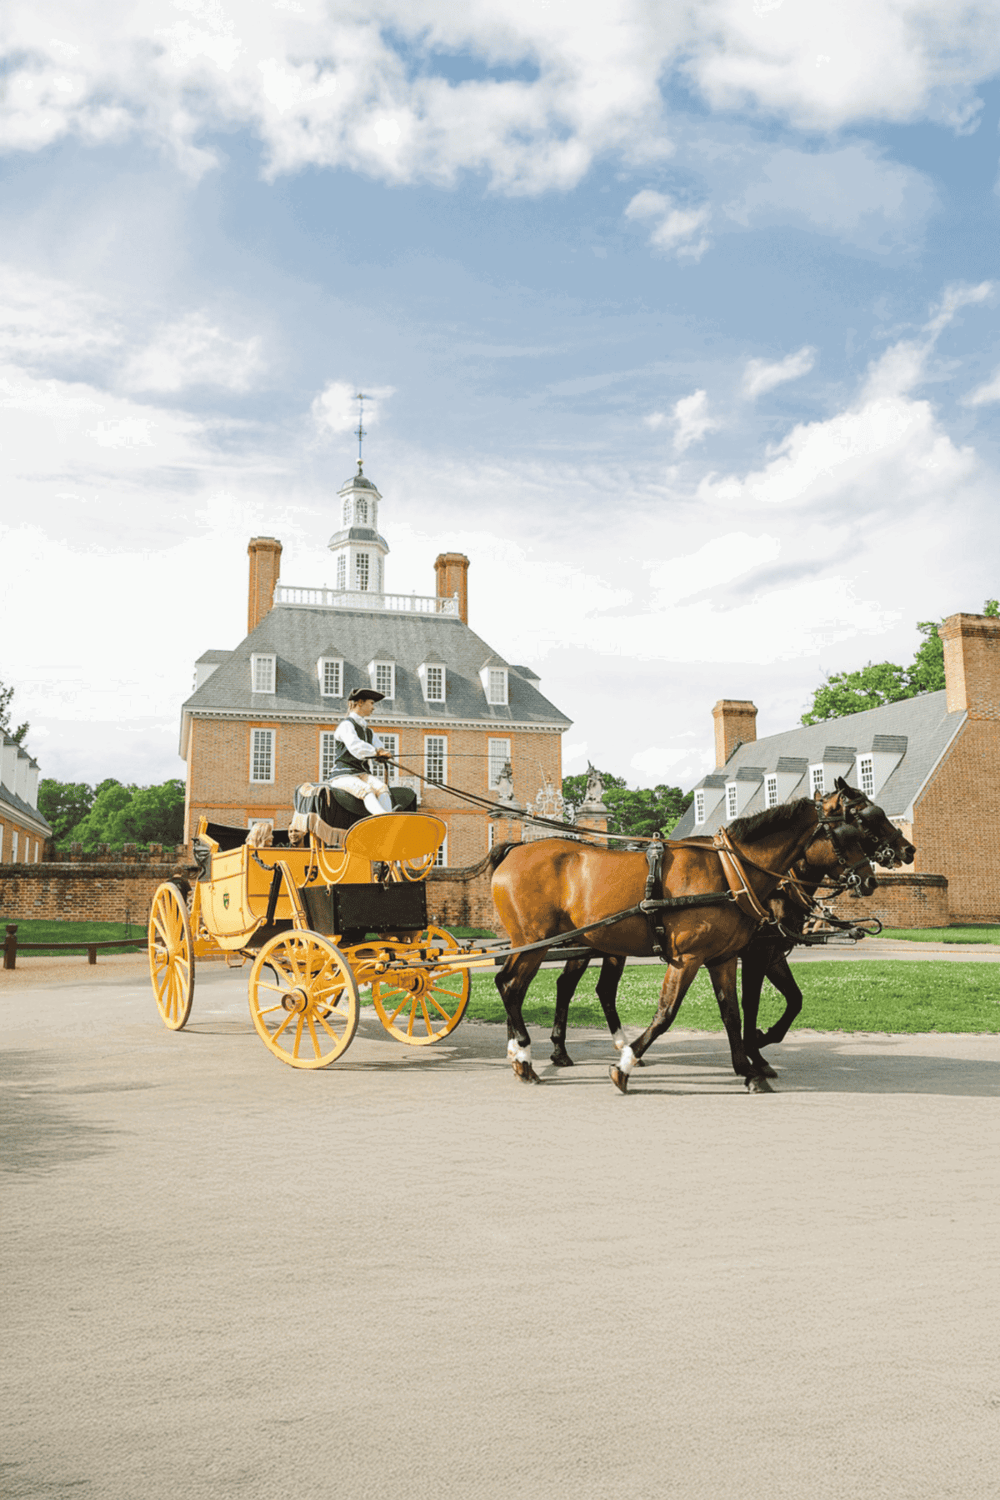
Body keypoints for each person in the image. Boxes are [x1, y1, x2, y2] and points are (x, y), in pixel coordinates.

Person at [327, 688, 395, 816]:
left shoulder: (368, 731)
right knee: (367, 790)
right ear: (360, 702)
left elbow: (378, 747)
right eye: (371, 703)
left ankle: (389, 817)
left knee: (382, 788)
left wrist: (382, 754)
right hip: (343, 775)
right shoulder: (346, 725)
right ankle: (382, 818)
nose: (373, 708)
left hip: (361, 773)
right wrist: (376, 752)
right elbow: (356, 747)